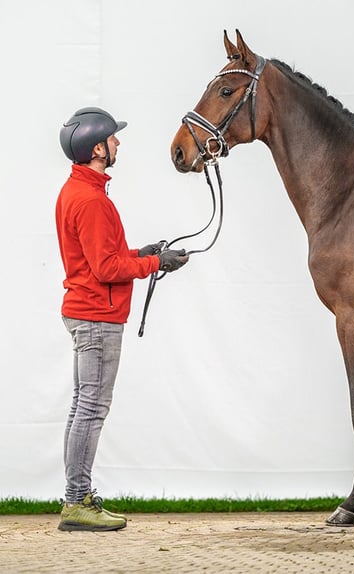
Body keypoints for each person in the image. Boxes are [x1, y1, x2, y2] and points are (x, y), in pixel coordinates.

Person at [55, 107, 189, 531]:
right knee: (91, 410)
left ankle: (77, 497)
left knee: (83, 407)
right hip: (97, 318)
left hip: (87, 312)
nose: (118, 144)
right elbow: (105, 270)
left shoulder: (78, 191)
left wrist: (143, 254)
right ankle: (76, 503)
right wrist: (154, 262)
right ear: (96, 148)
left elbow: (106, 258)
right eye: (113, 139)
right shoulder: (91, 200)